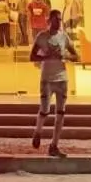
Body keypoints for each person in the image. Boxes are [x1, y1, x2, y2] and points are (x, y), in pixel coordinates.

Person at [30, 9, 79, 157]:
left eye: (60, 19)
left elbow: (76, 55)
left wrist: (65, 55)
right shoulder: (42, 36)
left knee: (61, 112)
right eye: (56, 19)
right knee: (45, 110)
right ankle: (38, 131)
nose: (59, 22)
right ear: (50, 20)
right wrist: (46, 57)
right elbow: (32, 56)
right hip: (47, 78)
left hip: (62, 78)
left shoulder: (64, 37)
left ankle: (54, 144)